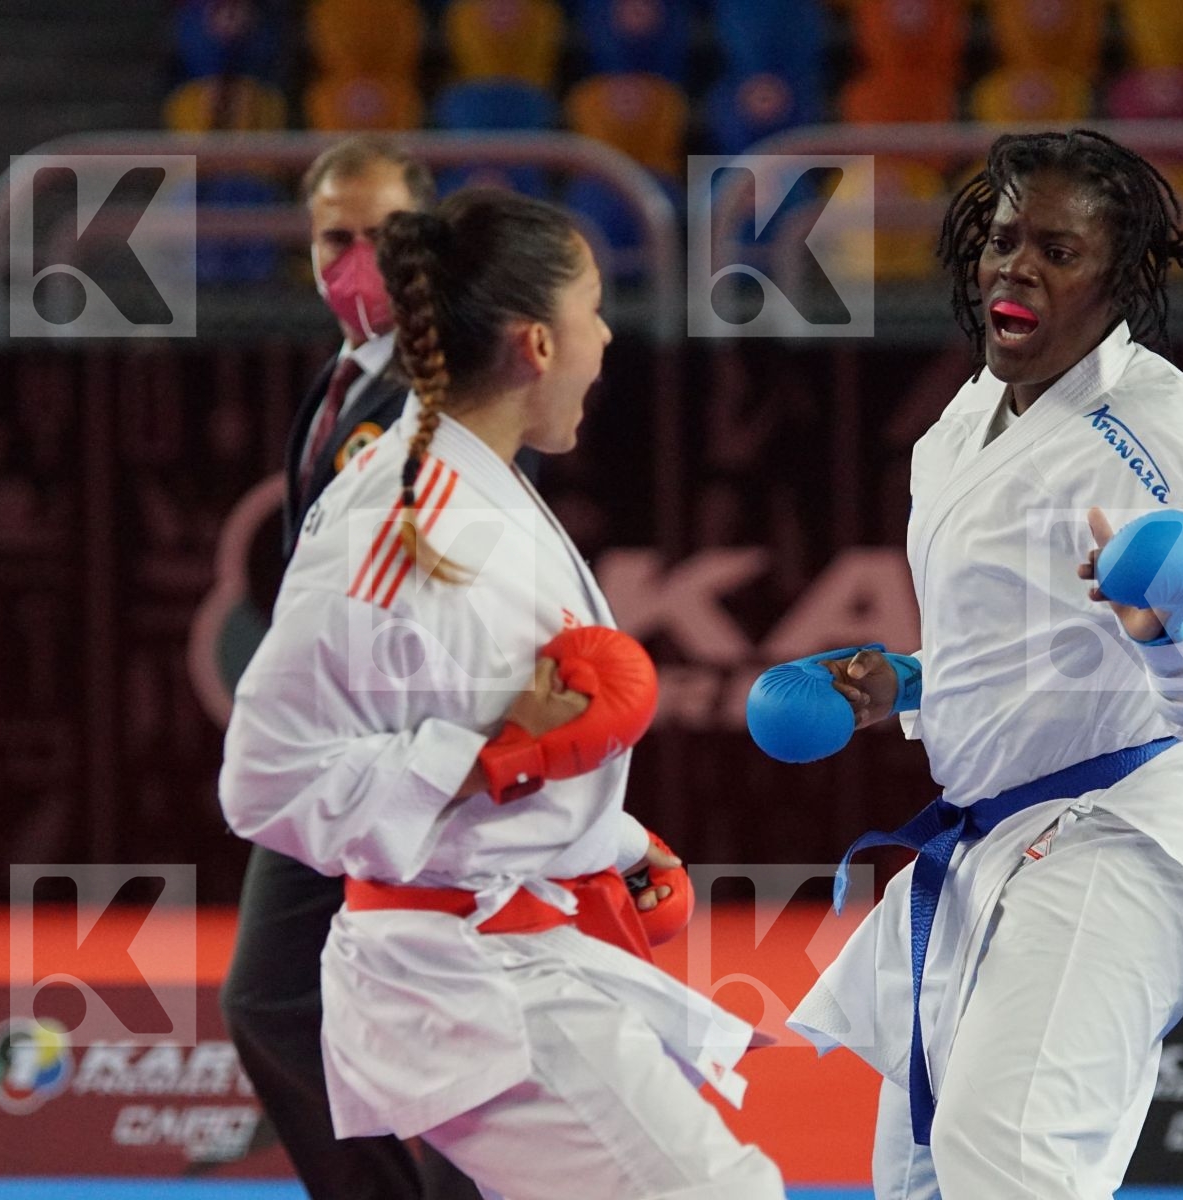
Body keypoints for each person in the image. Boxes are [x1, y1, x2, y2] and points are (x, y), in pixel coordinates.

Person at [219, 186, 787, 1200]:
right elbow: (263, 779)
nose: (608, 337)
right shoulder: (402, 525)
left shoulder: (486, 481)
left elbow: (497, 730)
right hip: (461, 980)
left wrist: (606, 846)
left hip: (516, 948)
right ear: (534, 344)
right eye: (595, 311)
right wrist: (495, 754)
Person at [785, 129, 1183, 1198]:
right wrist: (910, 684)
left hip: (1125, 832)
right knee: (917, 1173)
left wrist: (1166, 625)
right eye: (1005, 239)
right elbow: (1022, 643)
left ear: (1116, 279)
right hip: (998, 842)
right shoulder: (965, 419)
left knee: (1009, 1157)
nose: (1017, 267)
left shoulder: (1148, 428)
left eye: (1058, 252)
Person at [219, 135, 492, 1200]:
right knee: (272, 1001)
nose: (360, 259)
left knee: (434, 1024)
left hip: (417, 763)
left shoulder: (446, 391)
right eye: (339, 236)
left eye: (387, 237)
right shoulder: (340, 380)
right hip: (331, 754)